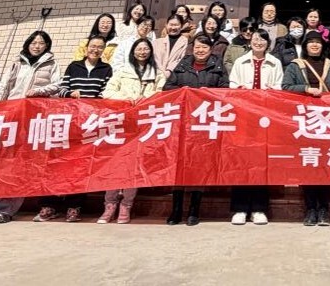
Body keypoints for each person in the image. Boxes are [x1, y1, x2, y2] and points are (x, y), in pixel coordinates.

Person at [0, 30, 59, 224]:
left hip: (31, 118)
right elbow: (4, 86)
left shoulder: (52, 64)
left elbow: (57, 86)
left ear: (47, 46)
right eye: (34, 42)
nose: (37, 46)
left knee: (18, 165)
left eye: (41, 43)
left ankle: (6, 209)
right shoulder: (17, 62)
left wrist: (38, 91)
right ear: (28, 44)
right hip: (8, 115)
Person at [34, 36, 113, 223]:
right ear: (86, 48)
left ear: (103, 50)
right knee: (57, 163)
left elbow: (106, 93)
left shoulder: (106, 69)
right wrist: (70, 93)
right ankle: (49, 205)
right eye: (92, 46)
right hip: (69, 120)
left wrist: (93, 100)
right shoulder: (74, 66)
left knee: (81, 166)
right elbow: (62, 89)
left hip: (90, 122)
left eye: (99, 47)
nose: (95, 50)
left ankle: (74, 207)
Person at [163, 34, 229, 225]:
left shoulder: (217, 66)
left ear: (210, 50)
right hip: (182, 123)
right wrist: (183, 91)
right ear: (193, 48)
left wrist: (207, 94)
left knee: (199, 165)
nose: (201, 51)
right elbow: (167, 88)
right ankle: (176, 210)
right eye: (198, 47)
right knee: (179, 165)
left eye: (205, 48)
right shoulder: (183, 64)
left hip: (204, 123)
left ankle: (194, 210)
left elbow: (225, 90)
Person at [98, 38, 165, 224]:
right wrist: (126, 99)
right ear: (133, 52)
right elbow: (108, 92)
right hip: (122, 124)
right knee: (115, 166)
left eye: (145, 49)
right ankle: (109, 205)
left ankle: (126, 205)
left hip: (144, 125)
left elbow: (162, 94)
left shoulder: (157, 74)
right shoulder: (122, 72)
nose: (142, 52)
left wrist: (146, 99)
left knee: (133, 168)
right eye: (139, 49)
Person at [282, 30, 330, 226]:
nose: (315, 45)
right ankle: (310, 209)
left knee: (326, 165)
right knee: (308, 164)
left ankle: (324, 209)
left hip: (327, 121)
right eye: (311, 42)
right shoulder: (295, 65)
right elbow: (285, 87)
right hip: (304, 120)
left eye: (318, 42)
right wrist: (306, 89)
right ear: (305, 46)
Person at [228, 29, 283, 224]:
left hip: (265, 118)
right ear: (249, 41)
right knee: (241, 162)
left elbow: (279, 87)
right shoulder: (240, 62)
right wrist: (242, 91)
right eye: (256, 39)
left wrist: (269, 92)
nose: (259, 42)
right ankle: (240, 208)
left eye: (263, 40)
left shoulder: (275, 63)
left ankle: (259, 208)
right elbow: (232, 85)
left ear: (268, 43)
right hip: (243, 118)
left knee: (261, 162)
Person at [154, 11, 189, 76]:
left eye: (176, 25)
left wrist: (169, 70)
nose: (173, 28)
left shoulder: (186, 42)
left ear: (181, 26)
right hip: (157, 75)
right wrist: (161, 72)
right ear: (166, 25)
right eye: (171, 24)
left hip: (175, 76)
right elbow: (155, 59)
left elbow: (182, 59)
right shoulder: (156, 42)